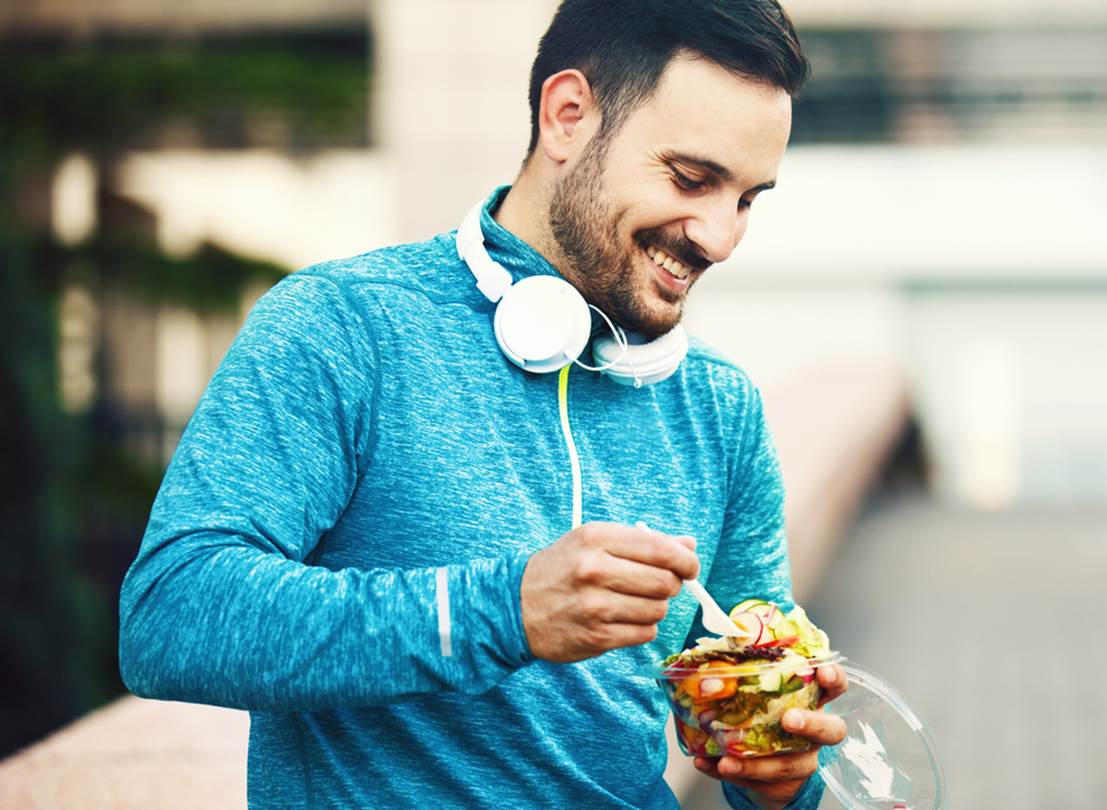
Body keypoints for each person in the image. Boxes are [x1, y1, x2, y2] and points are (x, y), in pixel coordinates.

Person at [118, 0, 849, 808]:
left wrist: (782, 777)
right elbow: (172, 613)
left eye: (748, 199)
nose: (718, 236)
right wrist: (503, 611)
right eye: (691, 179)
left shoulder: (720, 407)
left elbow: (758, 727)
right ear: (567, 116)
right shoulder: (344, 327)